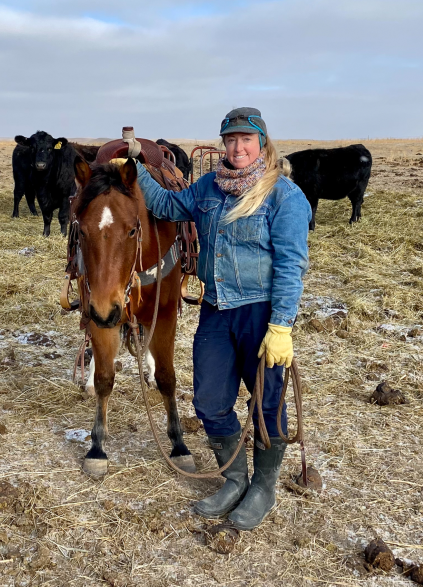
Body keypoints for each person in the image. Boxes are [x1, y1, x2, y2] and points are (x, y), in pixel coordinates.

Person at [133, 107, 311, 530]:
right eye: (230, 140)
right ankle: (235, 479)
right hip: (216, 310)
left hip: (261, 312)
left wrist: (281, 325)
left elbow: (291, 264)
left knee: (267, 403)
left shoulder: (284, 196)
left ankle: (263, 488)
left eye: (246, 139)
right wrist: (136, 166)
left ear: (262, 143)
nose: (238, 147)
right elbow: (166, 204)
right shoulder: (209, 187)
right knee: (210, 402)